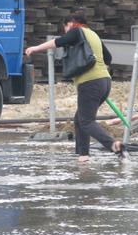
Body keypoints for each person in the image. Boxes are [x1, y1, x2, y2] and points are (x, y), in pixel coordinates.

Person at [25, 10, 127, 161]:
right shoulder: (93, 35)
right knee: (79, 119)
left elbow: (58, 42)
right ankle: (83, 155)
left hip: (90, 83)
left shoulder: (77, 31)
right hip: (105, 81)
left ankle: (113, 144)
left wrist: (35, 48)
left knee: (86, 121)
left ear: (71, 23)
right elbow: (108, 58)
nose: (66, 31)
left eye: (65, 27)